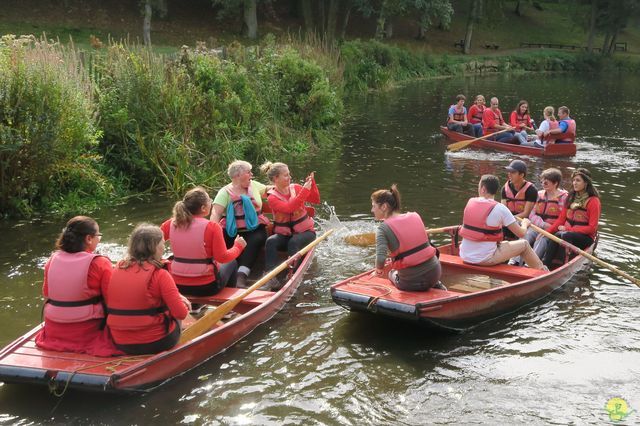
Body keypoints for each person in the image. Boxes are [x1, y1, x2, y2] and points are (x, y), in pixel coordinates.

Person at [35, 216, 121, 356]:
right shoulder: (100, 263)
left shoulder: (52, 260)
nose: (99, 239)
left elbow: (46, 294)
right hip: (87, 333)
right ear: (88, 239)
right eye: (98, 236)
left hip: (54, 331)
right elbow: (113, 301)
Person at [107, 224, 191, 355]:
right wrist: (182, 303)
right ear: (155, 247)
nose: (164, 247)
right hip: (155, 343)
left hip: (120, 342)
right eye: (163, 243)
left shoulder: (117, 268)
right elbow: (181, 314)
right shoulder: (160, 274)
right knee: (177, 310)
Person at [161, 187, 247, 297]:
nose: (211, 203)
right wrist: (238, 246)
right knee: (232, 262)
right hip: (206, 287)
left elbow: (150, 244)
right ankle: (230, 306)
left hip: (176, 285)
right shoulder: (212, 227)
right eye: (209, 201)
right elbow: (223, 258)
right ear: (203, 208)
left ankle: (195, 307)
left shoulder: (170, 224)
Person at [459, 175, 546, 270]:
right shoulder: (501, 208)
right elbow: (521, 233)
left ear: (483, 189)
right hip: (485, 260)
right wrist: (525, 223)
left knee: (503, 243)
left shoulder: (470, 202)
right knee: (524, 244)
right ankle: (542, 272)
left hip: (464, 255)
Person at [370, 185, 442, 291]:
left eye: (374, 206)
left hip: (412, 282)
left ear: (384, 207)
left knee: (390, 273)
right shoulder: (415, 215)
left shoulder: (383, 229)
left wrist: (378, 270)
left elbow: (381, 257)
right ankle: (437, 284)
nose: (372, 210)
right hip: (436, 273)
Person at [211, 160, 271, 288]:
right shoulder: (224, 192)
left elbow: (269, 190)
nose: (251, 175)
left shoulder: (254, 185)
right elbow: (215, 213)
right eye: (248, 172)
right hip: (232, 229)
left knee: (255, 240)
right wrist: (211, 233)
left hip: (254, 228)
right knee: (220, 237)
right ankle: (217, 272)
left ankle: (241, 276)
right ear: (238, 176)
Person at [261, 162, 320, 290]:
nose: (289, 177)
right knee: (271, 241)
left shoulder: (296, 188)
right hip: (285, 234)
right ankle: (271, 277)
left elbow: (315, 199)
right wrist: (305, 190)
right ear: (276, 179)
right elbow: (289, 208)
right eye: (286, 175)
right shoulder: (272, 198)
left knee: (293, 242)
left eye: (289, 174)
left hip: (306, 233)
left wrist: (312, 184)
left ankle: (292, 274)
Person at [543, 168, 600, 268]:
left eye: (578, 180)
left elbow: (592, 228)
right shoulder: (570, 197)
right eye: (573, 180)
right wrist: (547, 233)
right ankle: (545, 264)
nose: (574, 183)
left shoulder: (593, 201)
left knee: (565, 235)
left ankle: (564, 264)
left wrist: (569, 229)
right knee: (556, 235)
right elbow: (561, 219)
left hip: (586, 238)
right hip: (567, 233)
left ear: (586, 183)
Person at [512, 168, 568, 265]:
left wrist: (550, 228)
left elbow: (564, 218)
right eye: (542, 181)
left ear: (555, 183)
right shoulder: (539, 194)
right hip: (538, 226)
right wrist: (542, 224)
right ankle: (515, 261)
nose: (543, 183)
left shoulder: (564, 197)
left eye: (547, 181)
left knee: (541, 239)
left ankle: (530, 264)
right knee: (526, 234)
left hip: (553, 230)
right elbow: (532, 214)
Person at [501, 159, 538, 239]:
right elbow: (503, 209)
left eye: (513, 172)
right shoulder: (505, 188)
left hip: (523, 221)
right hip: (509, 219)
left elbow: (526, 213)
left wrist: (510, 220)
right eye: (509, 172)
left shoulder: (531, 190)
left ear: (521, 175)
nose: (509, 175)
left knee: (524, 235)